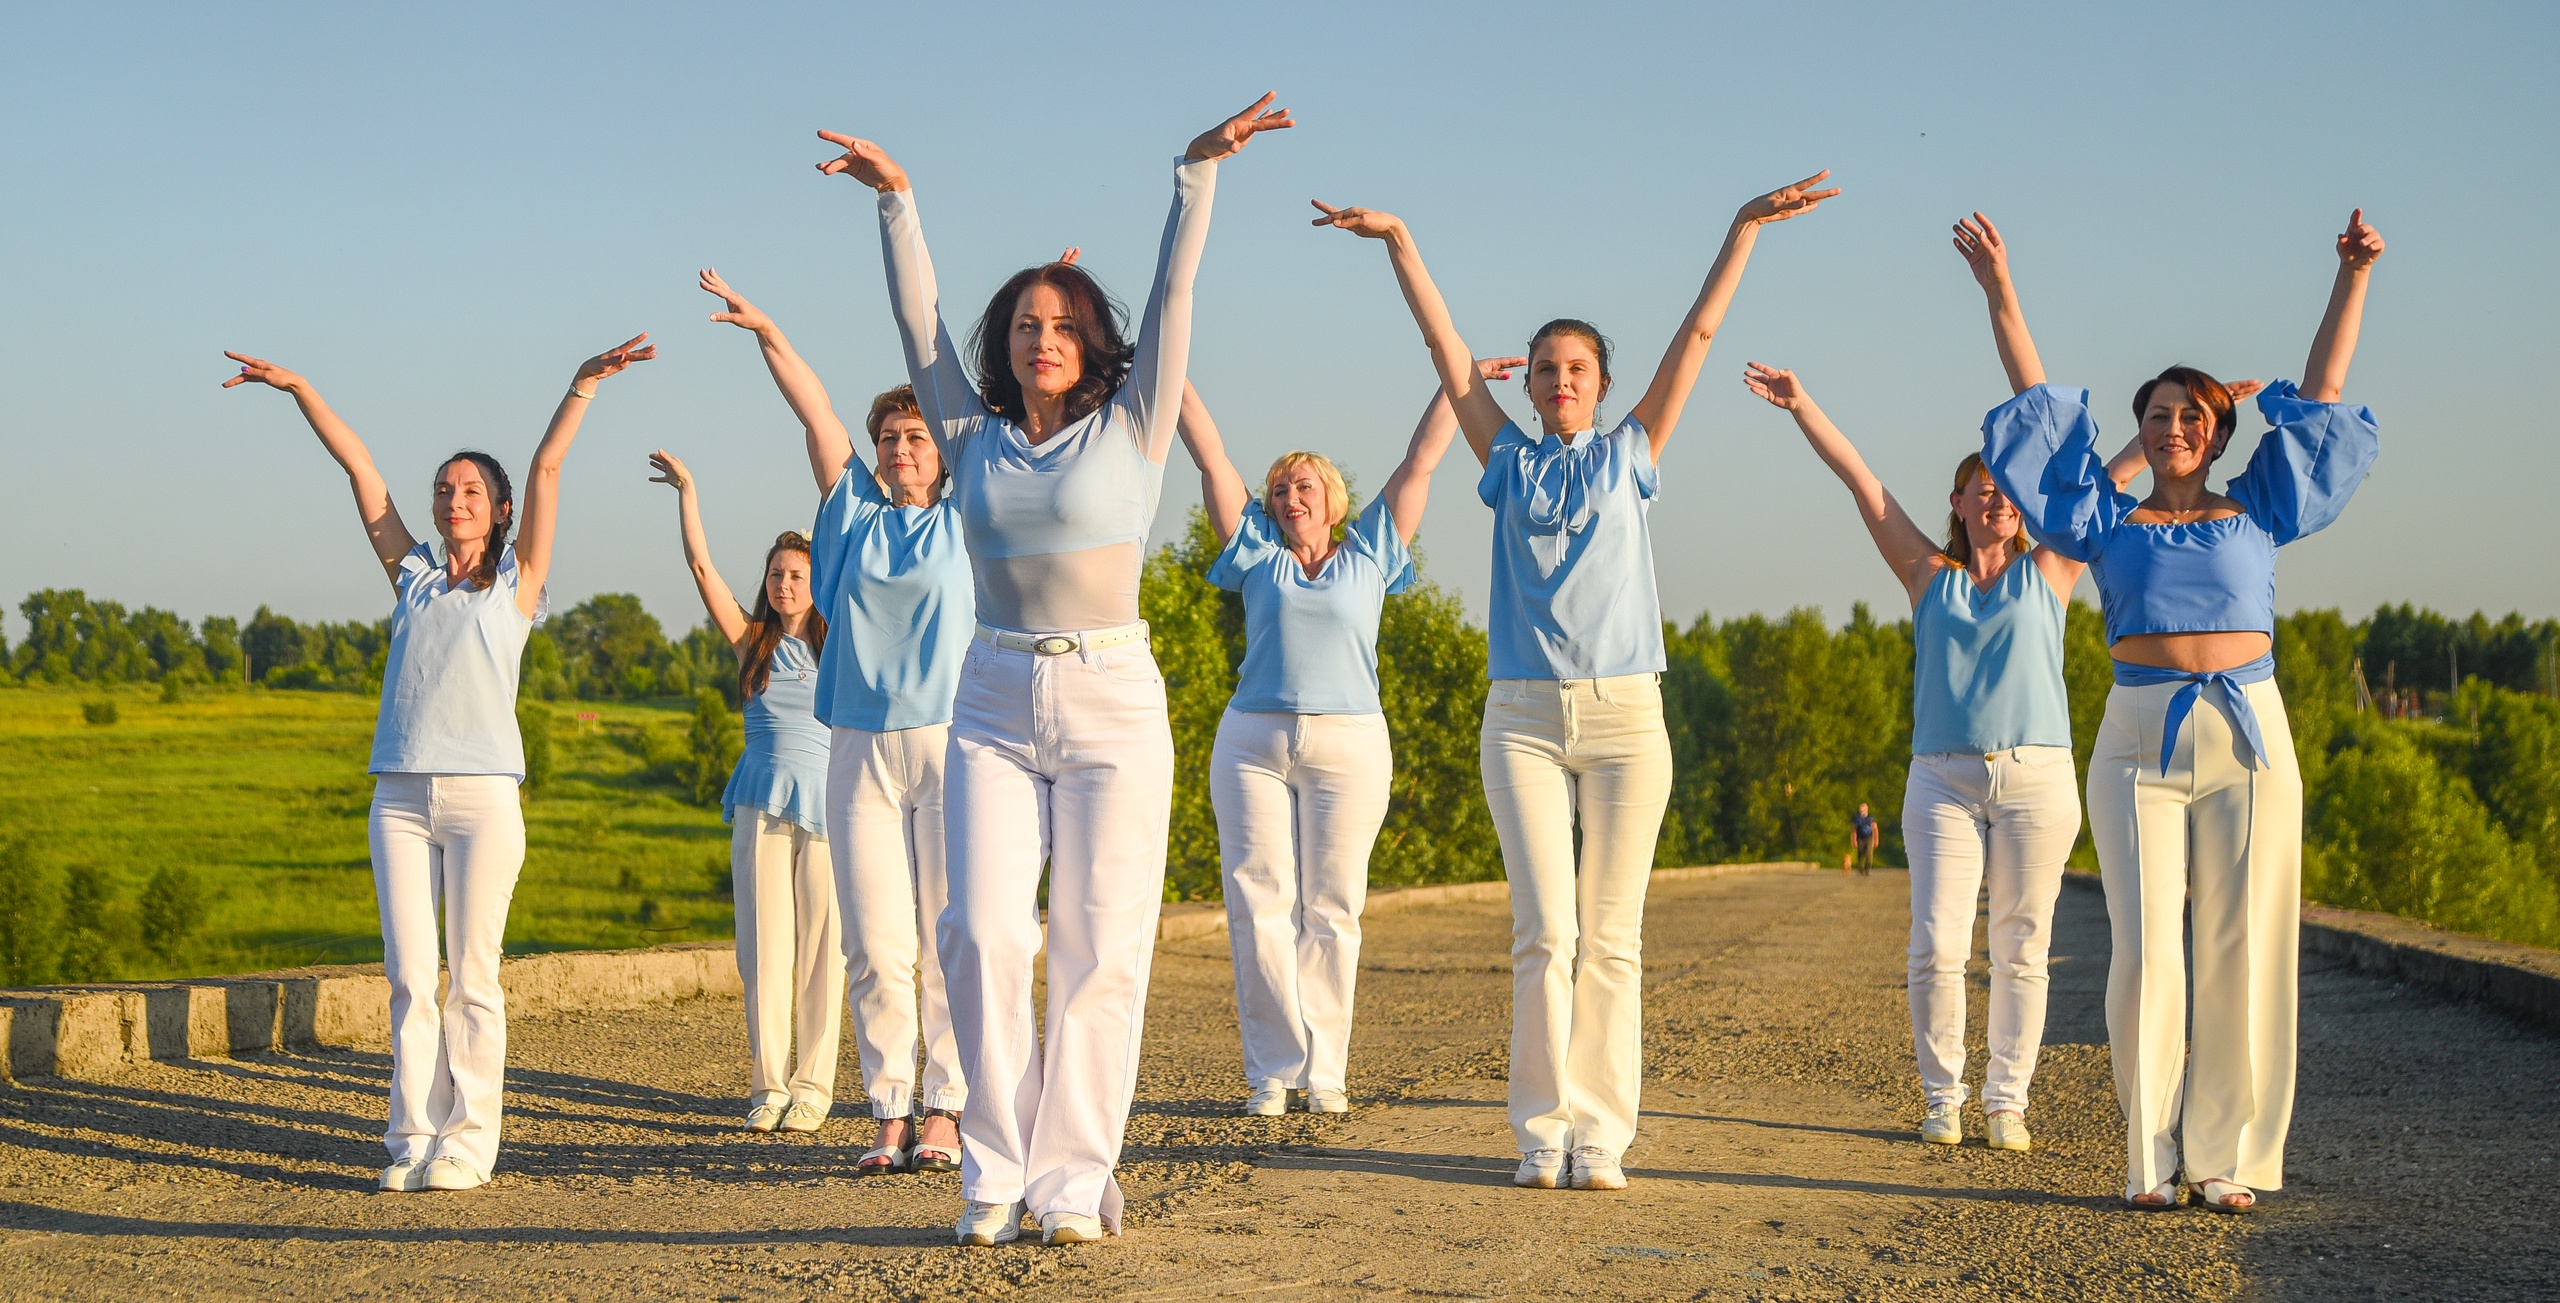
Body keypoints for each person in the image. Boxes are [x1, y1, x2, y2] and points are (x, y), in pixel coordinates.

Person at [817, 92, 1293, 1246]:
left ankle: (1070, 1183)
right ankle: (992, 1170)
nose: (1041, 338)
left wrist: (1196, 172)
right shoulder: (969, 432)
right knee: (980, 933)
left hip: (1112, 697)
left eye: (1061, 322)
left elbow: (1174, 294)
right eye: (1025, 323)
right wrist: (897, 201)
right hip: (985, 694)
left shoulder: (1133, 424)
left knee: (1097, 946)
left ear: (1089, 341)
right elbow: (917, 324)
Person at [1312, 169, 1838, 1192]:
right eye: (1546, 369)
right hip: (1518, 718)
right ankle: (1537, 1131)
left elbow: (1694, 339)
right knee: (1541, 932)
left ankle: (1600, 1133)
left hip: (1626, 718)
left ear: (1600, 384)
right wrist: (1398, 240)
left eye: (1576, 369)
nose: (1558, 381)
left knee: (1612, 937)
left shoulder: (1631, 452)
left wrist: (1742, 229)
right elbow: (1445, 354)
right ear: (1529, 385)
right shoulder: (1504, 459)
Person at [1976, 209, 2385, 1211]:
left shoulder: (2260, 506)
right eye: (2158, 415)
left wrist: (2351, 277)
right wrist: (1998, 287)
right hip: (2136, 740)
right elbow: (2034, 406)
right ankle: (2148, 1156)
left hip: (2249, 731)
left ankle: (2222, 1157)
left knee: (2246, 944)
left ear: (2218, 430)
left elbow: (2323, 395)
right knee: (2148, 949)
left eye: (2191, 416)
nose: (2174, 429)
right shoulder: (2102, 520)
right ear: (2142, 428)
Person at [222, 333, 654, 1192]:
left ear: (496, 510)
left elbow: (547, 470)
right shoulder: (412, 575)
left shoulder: (517, 584)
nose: (453, 500)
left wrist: (580, 387)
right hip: (400, 795)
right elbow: (359, 471)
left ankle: (470, 1140)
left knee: (473, 978)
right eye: (443, 490)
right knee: (411, 977)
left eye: (470, 491)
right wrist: (301, 386)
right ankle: (411, 1137)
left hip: (485, 799)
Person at [1744, 324, 2145, 1153]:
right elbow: (1863, 483)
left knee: (2022, 947)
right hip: (1943, 782)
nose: (1995, 497)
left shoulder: (2054, 567)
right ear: (1957, 505)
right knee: (1936, 943)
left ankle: (2008, 1101)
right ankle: (1942, 1097)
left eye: (2006, 488)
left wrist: (2182, 427)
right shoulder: (1929, 574)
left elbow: (2110, 478)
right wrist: (1800, 405)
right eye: (1977, 487)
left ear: (2025, 506)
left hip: (2036, 778)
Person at [1175, 361, 1519, 1120]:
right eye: (1279, 489)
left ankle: (1324, 1070)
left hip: (1351, 743)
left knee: (1331, 907)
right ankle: (1271, 1070)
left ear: (1333, 501)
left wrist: (1460, 381)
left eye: (1304, 486)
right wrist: (1168, 372)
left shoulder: (1371, 551)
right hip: (1253, 741)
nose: (1289, 496)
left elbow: (1421, 459)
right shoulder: (1256, 554)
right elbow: (1208, 455)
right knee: (1259, 901)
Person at [695, 268, 971, 1177]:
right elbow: (816, 416)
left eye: (916, 436)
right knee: (872, 940)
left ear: (940, 452)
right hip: (855, 742)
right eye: (889, 436)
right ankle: (890, 1108)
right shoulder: (850, 513)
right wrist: (768, 329)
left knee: (944, 932)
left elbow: (992, 411)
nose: (899, 447)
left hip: (946, 740)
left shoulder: (964, 514)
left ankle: (947, 1106)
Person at [646, 449, 842, 1138]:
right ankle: (768, 1085)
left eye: (797, 574)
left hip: (826, 807)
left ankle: (814, 1087)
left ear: (818, 581)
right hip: (759, 800)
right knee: (762, 951)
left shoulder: (839, 641)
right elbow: (702, 567)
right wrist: (689, 492)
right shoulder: (750, 639)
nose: (785, 583)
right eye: (776, 574)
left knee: (823, 950)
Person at [1849, 802, 1879, 875]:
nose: (1862, 811)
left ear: (1867, 810)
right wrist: (1853, 840)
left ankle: (1867, 868)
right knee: (1860, 853)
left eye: (1863, 810)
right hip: (1860, 838)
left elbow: (1875, 829)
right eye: (1861, 810)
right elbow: (1854, 830)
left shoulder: (1871, 818)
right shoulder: (1857, 818)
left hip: (1869, 837)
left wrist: (1876, 840)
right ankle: (1861, 867)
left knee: (1869, 853)